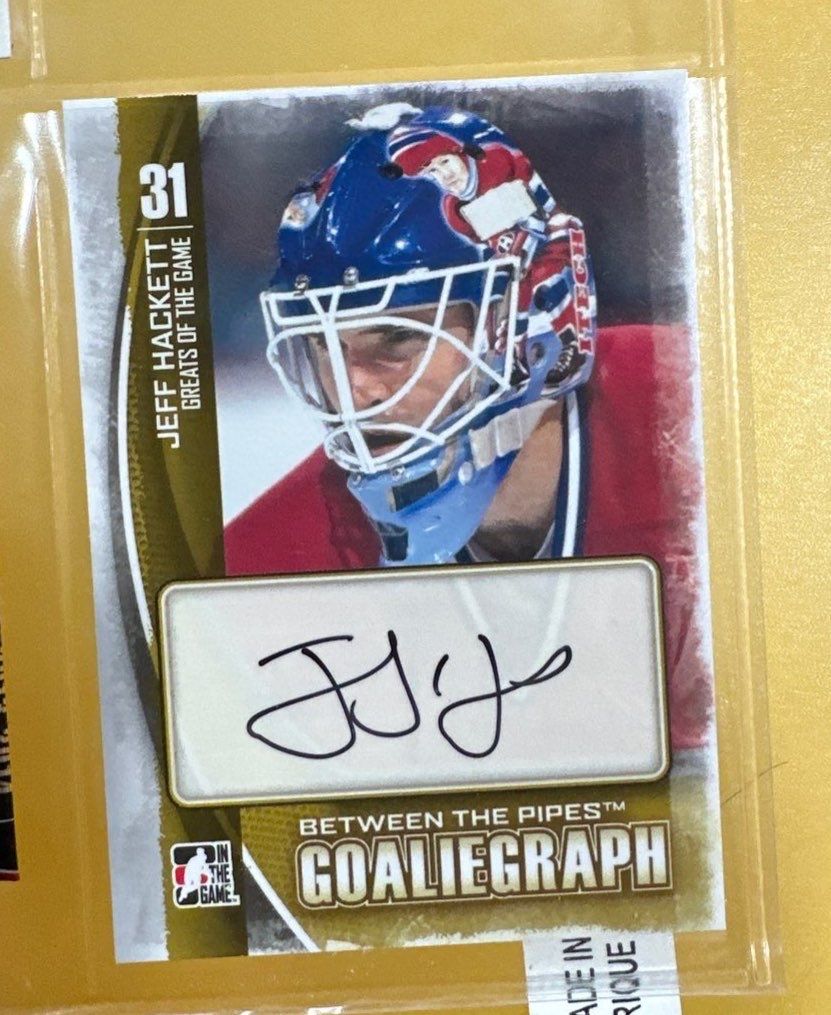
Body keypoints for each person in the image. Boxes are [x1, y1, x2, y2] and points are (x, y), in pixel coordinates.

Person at [225, 104, 710, 747]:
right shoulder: (267, 569)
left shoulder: (710, 426)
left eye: (395, 338)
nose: (353, 391)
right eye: (322, 346)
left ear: (524, 319)